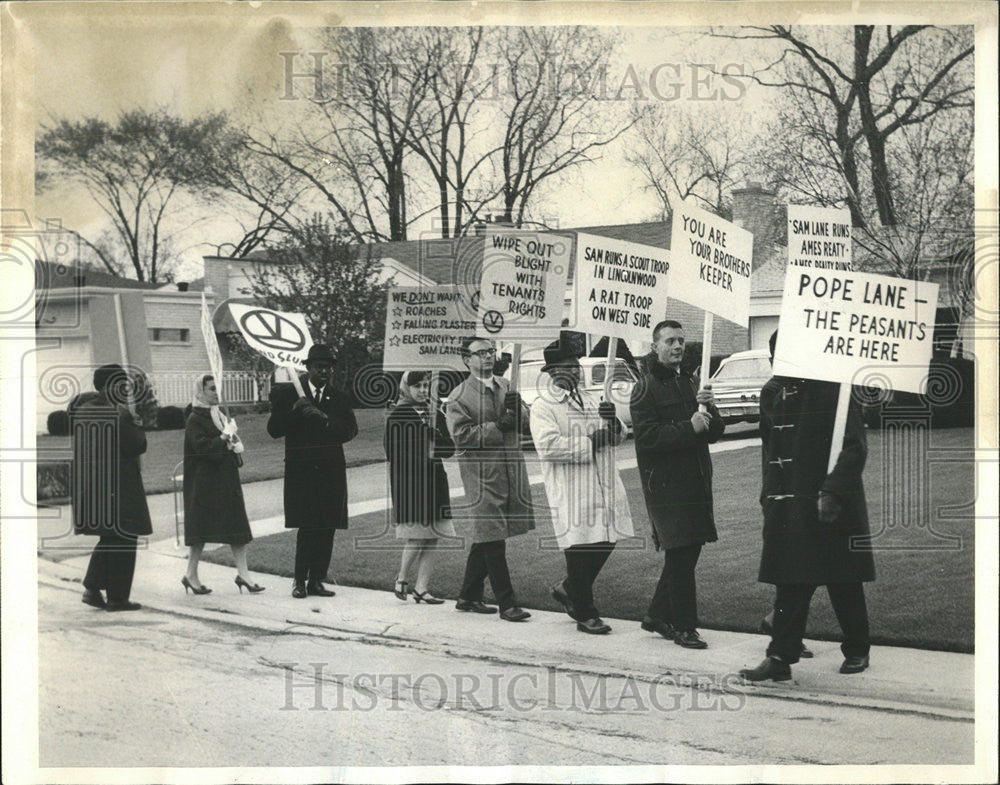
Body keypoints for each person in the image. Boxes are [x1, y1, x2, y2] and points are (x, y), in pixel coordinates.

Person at [740, 330, 875, 681]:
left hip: (832, 501)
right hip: (791, 501)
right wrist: (769, 493)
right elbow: (770, 449)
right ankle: (780, 658)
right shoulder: (773, 393)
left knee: (842, 579)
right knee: (791, 579)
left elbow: (855, 446)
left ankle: (858, 649)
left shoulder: (833, 387)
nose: (776, 364)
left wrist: (832, 492)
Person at [530, 339, 635, 634]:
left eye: (576, 365)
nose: (575, 371)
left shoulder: (590, 398)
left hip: (602, 481)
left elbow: (618, 435)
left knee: (607, 538)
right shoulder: (544, 405)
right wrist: (590, 442)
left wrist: (613, 424)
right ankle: (585, 613)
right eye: (568, 366)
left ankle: (567, 588)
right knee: (579, 547)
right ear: (551, 372)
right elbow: (548, 447)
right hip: (572, 486)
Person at [631, 319, 724, 649]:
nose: (677, 346)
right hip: (666, 485)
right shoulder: (644, 387)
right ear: (654, 346)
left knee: (688, 551)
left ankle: (657, 614)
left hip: (696, 480)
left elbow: (715, 431)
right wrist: (690, 427)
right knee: (681, 554)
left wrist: (709, 404)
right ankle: (685, 627)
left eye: (681, 340)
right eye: (669, 341)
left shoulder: (691, 381)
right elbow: (647, 438)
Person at [445, 337, 535, 622]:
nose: (487, 357)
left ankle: (468, 596)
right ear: (466, 359)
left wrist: (518, 408)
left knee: (487, 536)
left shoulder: (506, 386)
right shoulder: (458, 397)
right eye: (480, 353)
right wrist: (497, 426)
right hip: (481, 476)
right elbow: (461, 437)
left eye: (490, 351)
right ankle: (507, 603)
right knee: (494, 538)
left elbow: (526, 421)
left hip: (508, 471)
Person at [267, 345, 359, 599]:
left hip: (331, 471)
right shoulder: (288, 394)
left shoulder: (338, 397)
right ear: (308, 368)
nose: (325, 371)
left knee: (327, 526)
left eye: (329, 367)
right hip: (302, 472)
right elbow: (274, 429)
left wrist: (325, 419)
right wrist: (295, 412)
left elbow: (351, 430)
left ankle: (317, 579)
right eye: (319, 367)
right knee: (307, 526)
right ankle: (299, 580)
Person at [69, 364, 152, 612]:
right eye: (121, 385)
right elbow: (136, 445)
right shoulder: (118, 413)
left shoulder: (82, 411)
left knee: (110, 537)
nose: (126, 390)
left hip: (92, 488)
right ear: (108, 387)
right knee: (125, 538)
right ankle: (117, 598)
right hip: (118, 486)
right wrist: (137, 424)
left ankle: (92, 588)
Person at [182, 375, 264, 595]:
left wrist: (234, 442)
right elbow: (203, 449)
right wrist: (224, 437)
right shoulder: (195, 418)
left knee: (237, 526)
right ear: (201, 391)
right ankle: (190, 574)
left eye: (218, 388)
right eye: (211, 389)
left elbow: (225, 444)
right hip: (205, 484)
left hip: (225, 480)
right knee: (201, 529)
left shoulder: (218, 415)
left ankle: (244, 574)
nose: (216, 393)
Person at [384, 370, 457, 604]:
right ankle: (402, 577)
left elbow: (449, 448)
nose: (423, 391)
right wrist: (422, 446)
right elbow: (393, 452)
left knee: (433, 535)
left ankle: (422, 588)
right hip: (411, 484)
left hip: (434, 480)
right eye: (417, 386)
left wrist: (435, 435)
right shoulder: (399, 414)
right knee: (416, 536)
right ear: (407, 387)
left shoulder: (434, 412)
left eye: (426, 386)